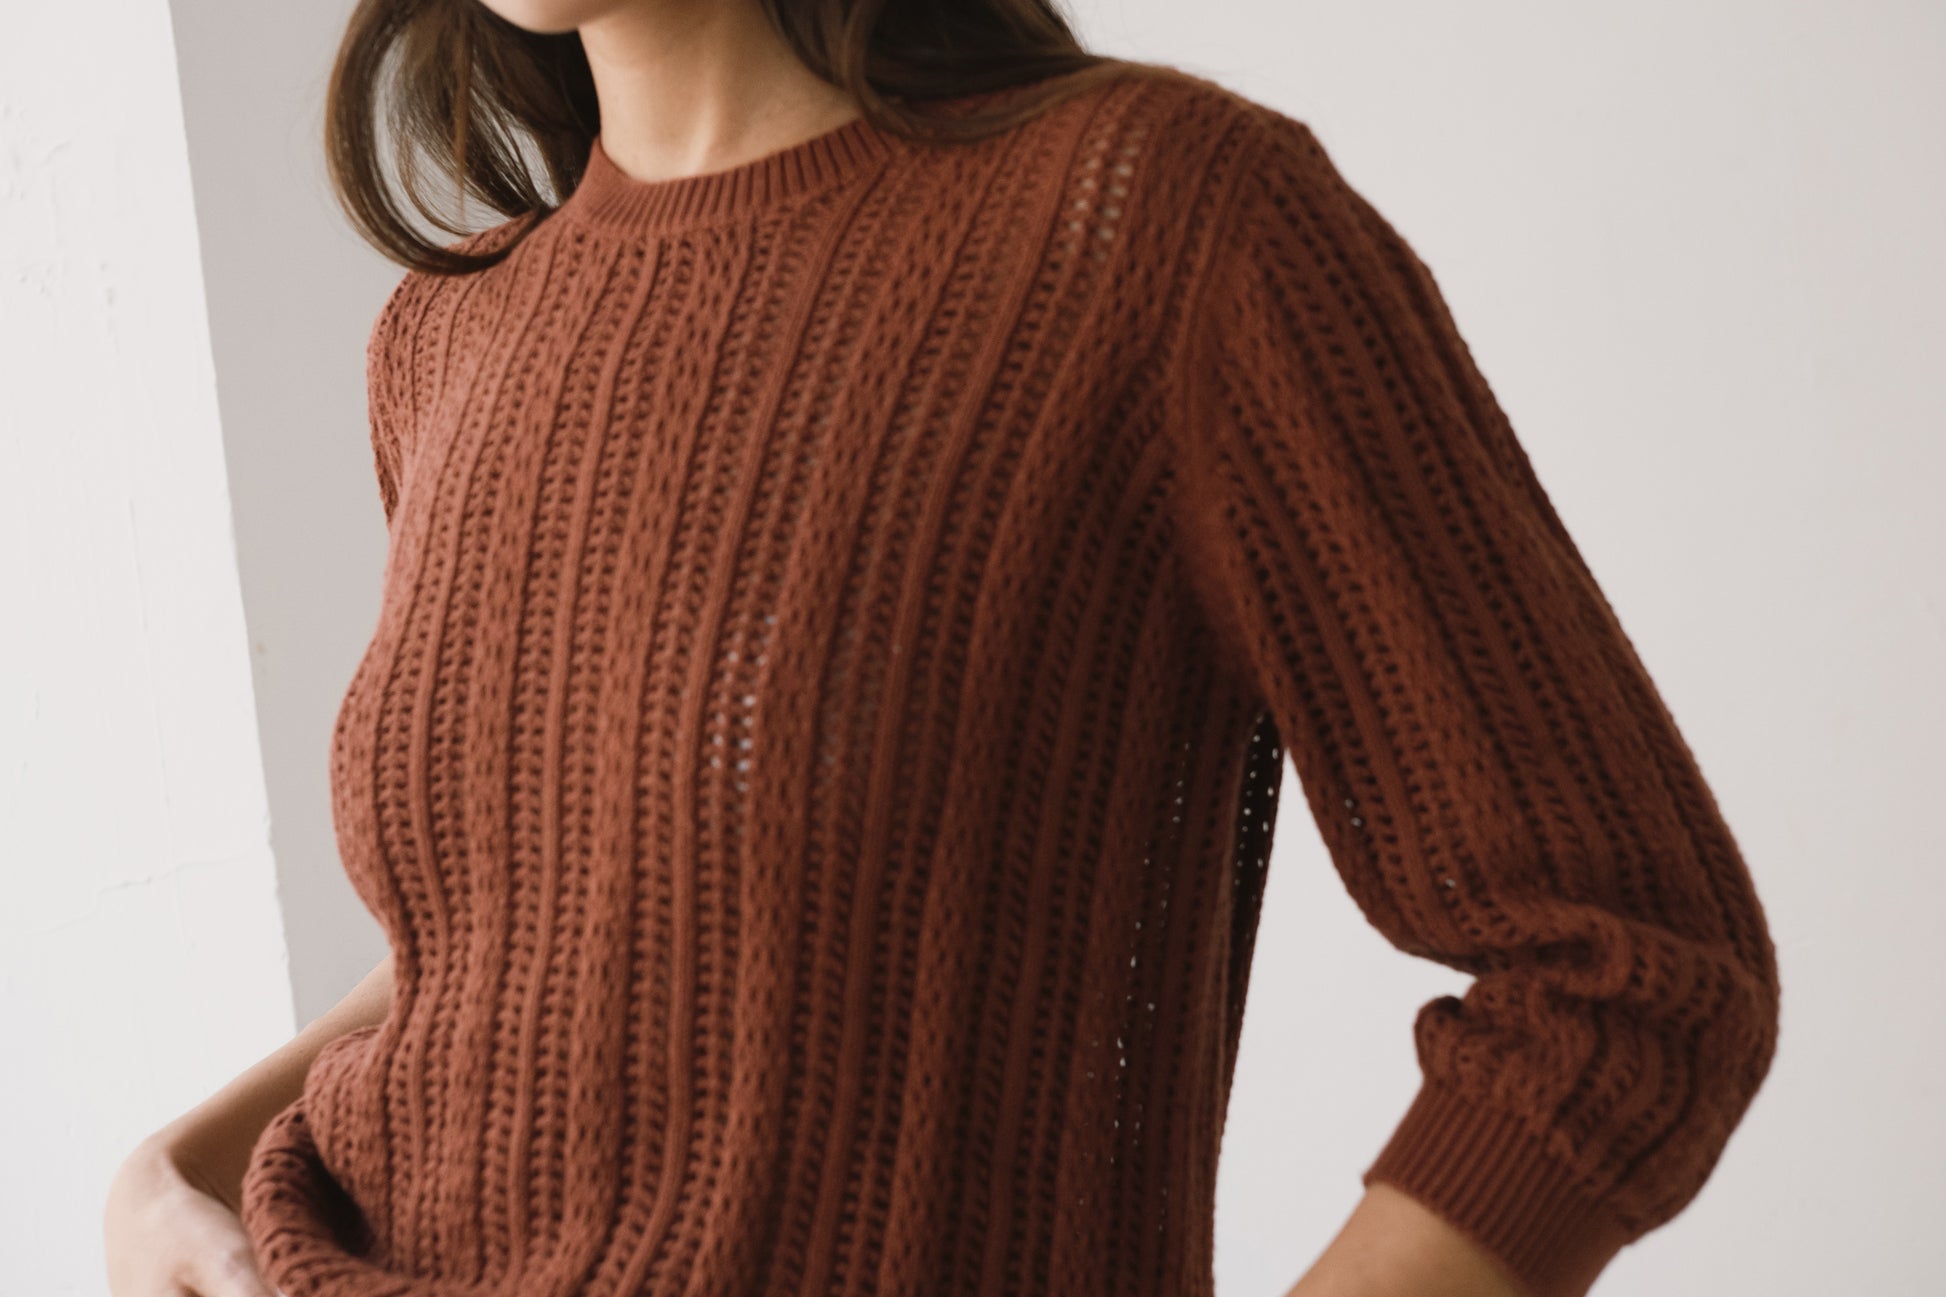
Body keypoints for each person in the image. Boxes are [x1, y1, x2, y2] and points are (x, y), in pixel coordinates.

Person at [103, 2, 1782, 1295]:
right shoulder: (448, 333)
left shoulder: (1163, 229)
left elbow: (1630, 979)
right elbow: (558, 932)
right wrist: (173, 1165)